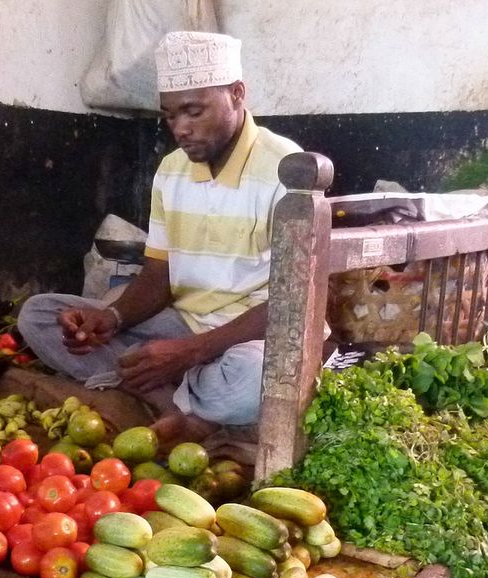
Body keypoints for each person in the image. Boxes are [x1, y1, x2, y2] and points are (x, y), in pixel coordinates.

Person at [17, 31, 302, 445]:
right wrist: (111, 319)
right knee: (39, 315)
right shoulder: (171, 170)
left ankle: (175, 397)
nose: (180, 129)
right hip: (181, 324)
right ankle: (181, 404)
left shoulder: (286, 171)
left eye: (193, 112)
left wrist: (193, 351)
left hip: (251, 337)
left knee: (258, 378)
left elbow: (293, 306)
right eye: (170, 116)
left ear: (237, 94)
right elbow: (157, 276)